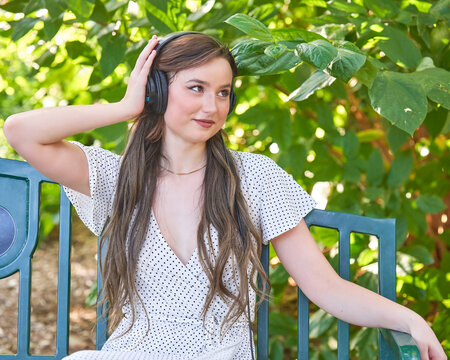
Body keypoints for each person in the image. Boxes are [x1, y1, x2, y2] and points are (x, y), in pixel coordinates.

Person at [3, 32, 446, 360]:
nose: (212, 107)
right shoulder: (118, 180)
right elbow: (20, 131)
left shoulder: (253, 178)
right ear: (156, 91)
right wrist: (124, 109)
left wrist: (409, 319)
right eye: (195, 88)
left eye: (223, 93)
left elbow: (325, 287)